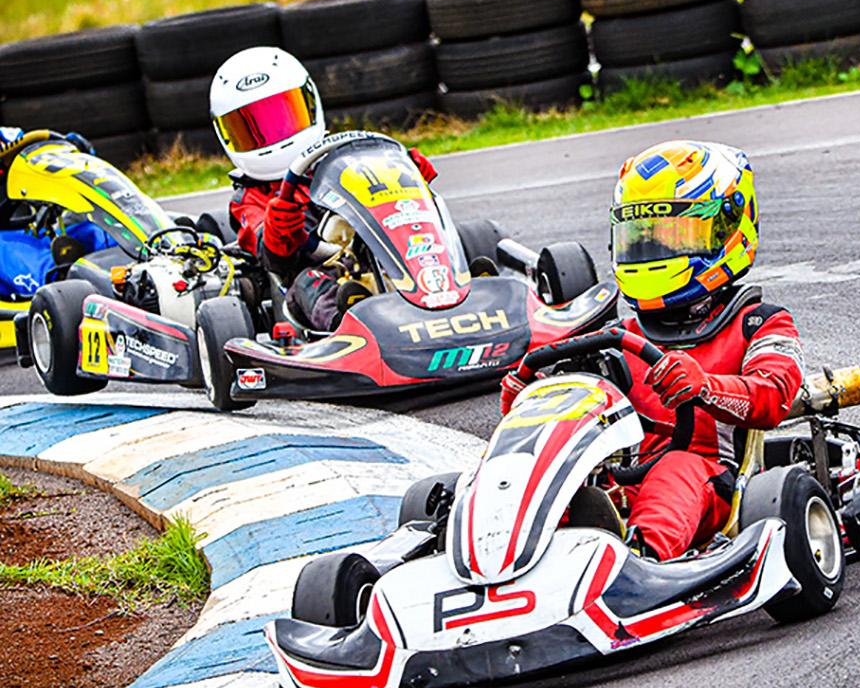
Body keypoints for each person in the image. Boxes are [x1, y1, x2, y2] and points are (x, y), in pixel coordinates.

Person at [502, 140, 804, 561]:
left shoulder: (757, 322)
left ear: (729, 226)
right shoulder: (615, 337)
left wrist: (705, 387)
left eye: (675, 235)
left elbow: (772, 396)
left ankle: (639, 560)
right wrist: (529, 400)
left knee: (675, 469)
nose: (656, 252)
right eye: (642, 239)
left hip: (713, 480)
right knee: (551, 477)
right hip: (624, 482)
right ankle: (499, 551)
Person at [211, 46, 438, 332]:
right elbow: (272, 259)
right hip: (316, 280)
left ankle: (461, 286)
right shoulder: (249, 198)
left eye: (283, 118)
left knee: (431, 243)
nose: (274, 138)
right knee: (308, 282)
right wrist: (279, 231)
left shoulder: (343, 158)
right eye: (253, 129)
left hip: (387, 255)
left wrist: (407, 178)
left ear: (309, 104)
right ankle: (351, 326)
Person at [0, 127, 110, 300]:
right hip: (8, 244)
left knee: (95, 232)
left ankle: (144, 257)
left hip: (37, 232)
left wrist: (75, 148)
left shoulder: (10, 136)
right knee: (18, 255)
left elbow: (32, 149)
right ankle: (60, 286)